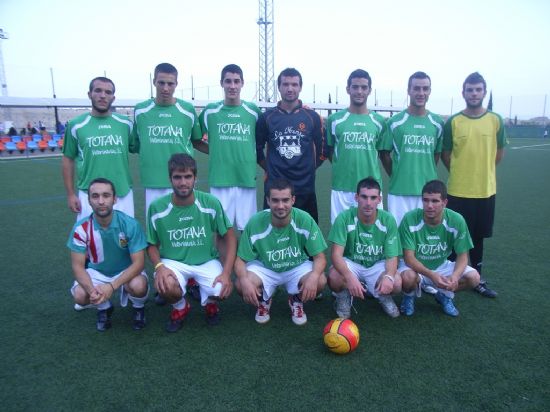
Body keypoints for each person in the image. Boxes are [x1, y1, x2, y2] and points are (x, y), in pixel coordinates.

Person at [146, 153, 236, 332]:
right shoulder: (157, 207)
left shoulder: (210, 203)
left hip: (205, 261)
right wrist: (159, 267)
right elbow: (151, 244)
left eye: (188, 177)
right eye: (177, 177)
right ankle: (180, 307)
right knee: (165, 285)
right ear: (170, 179)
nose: (183, 182)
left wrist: (226, 272)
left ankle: (210, 302)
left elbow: (230, 237)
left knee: (220, 290)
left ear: (195, 178)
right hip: (174, 262)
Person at [442, 72, 507, 298]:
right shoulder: (454, 121)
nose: (474, 93)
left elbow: (498, 154)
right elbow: (446, 155)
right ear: (463, 93)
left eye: (478, 89)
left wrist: (481, 172)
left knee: (477, 237)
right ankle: (448, 279)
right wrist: (463, 172)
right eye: (470, 90)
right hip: (458, 190)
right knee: (452, 236)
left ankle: (477, 279)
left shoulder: (495, 120)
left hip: (484, 190)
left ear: (484, 92)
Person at [234, 178, 327, 325]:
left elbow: (320, 257)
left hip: (296, 267)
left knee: (320, 280)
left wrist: (314, 276)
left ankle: (296, 299)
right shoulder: (256, 222)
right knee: (240, 283)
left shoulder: (304, 219)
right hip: (266, 268)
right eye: (275, 200)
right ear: (268, 201)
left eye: (285, 200)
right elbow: (240, 260)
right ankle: (264, 299)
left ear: (293, 200)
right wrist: (245, 280)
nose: (280, 205)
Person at [67, 178, 148, 331]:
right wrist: (93, 291)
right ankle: (104, 308)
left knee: (138, 285)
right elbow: (77, 267)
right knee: (80, 295)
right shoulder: (81, 229)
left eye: (106, 195)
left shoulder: (130, 224)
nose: (101, 201)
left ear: (114, 199)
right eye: (95, 196)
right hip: (97, 272)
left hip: (126, 270)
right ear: (89, 201)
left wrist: (112, 286)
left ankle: (138, 308)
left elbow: (139, 263)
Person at [133, 63, 207, 215]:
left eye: (170, 83)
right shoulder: (140, 111)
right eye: (161, 83)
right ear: (154, 82)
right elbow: (136, 143)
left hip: (183, 180)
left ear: (176, 84)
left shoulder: (187, 110)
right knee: (157, 229)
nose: (165, 88)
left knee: (186, 228)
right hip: (153, 180)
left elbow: (196, 141)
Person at [398, 180, 480, 317]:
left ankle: (444, 296)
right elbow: (409, 258)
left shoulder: (456, 220)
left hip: (441, 265)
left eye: (435, 201)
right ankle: (408, 296)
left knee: (474, 278)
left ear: (444, 202)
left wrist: (454, 276)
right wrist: (431, 275)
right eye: (426, 200)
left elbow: (463, 255)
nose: (429, 206)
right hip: (415, 268)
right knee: (407, 277)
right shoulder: (410, 219)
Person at [256, 67, 327, 222]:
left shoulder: (312, 117)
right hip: (275, 188)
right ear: (279, 87)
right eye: (285, 84)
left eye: (294, 84)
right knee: (273, 233)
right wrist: (270, 169)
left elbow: (323, 150)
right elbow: (257, 149)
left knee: (307, 235)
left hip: (305, 188)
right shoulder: (266, 118)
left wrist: (309, 168)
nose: (290, 89)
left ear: (300, 87)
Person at [62, 76, 136, 221]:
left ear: (113, 98)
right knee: (91, 241)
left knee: (125, 240)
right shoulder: (76, 125)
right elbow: (67, 159)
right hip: (90, 196)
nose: (103, 95)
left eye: (108, 92)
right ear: (89, 94)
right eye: (98, 90)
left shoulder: (126, 124)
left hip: (122, 194)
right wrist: (71, 194)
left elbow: (139, 147)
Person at [328, 177, 402, 319]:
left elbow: (392, 257)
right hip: (352, 263)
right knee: (334, 277)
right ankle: (343, 296)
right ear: (357, 197)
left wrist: (388, 277)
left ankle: (383, 295)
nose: (368, 203)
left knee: (397, 282)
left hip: (376, 265)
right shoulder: (344, 218)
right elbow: (336, 255)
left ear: (379, 200)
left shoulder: (388, 220)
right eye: (364, 197)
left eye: (373, 198)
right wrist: (349, 277)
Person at [199, 64, 261, 230]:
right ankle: (224, 257)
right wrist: (216, 151)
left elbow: (264, 139)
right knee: (221, 228)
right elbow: (195, 139)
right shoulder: (210, 112)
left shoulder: (253, 111)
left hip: (246, 178)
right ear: (221, 83)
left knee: (247, 228)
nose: (232, 86)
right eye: (228, 81)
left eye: (236, 81)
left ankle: (244, 257)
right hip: (220, 179)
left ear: (242, 83)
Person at [380, 71, 445, 226]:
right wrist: (397, 173)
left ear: (430, 91)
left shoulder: (437, 123)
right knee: (398, 237)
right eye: (416, 88)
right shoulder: (394, 122)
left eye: (425, 89)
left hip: (428, 193)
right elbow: (384, 154)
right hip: (399, 192)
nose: (421, 93)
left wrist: (425, 172)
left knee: (423, 240)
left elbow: (436, 155)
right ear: (409, 90)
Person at [326, 69, 386, 224]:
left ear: (369, 90)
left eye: (364, 87)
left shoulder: (379, 122)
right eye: (355, 87)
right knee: (340, 235)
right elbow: (330, 151)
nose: (359, 91)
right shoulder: (334, 120)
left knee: (373, 236)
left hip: (371, 191)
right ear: (348, 89)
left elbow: (380, 151)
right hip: (342, 188)